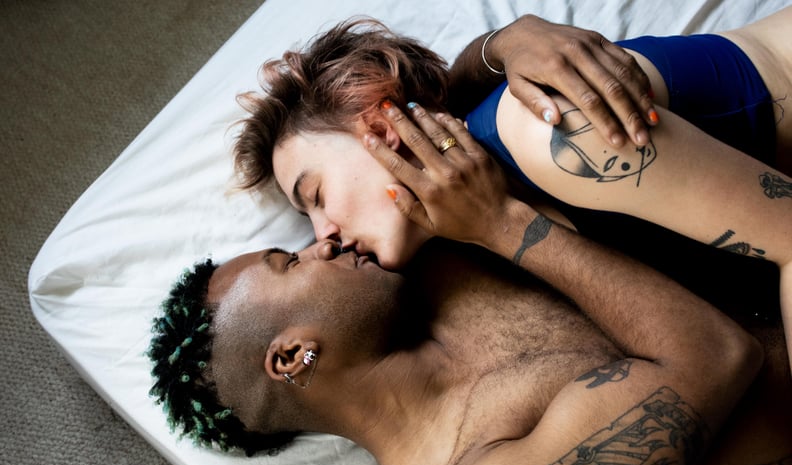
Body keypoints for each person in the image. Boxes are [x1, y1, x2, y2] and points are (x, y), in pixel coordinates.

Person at [231, 9, 792, 374]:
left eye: (317, 195)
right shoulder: (469, 229)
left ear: (379, 129)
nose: (323, 235)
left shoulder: (541, 129)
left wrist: (508, 38)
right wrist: (499, 43)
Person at [146, 221, 792, 465]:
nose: (325, 239)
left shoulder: (423, 273)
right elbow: (720, 356)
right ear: (292, 357)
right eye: (291, 260)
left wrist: (497, 49)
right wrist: (503, 221)